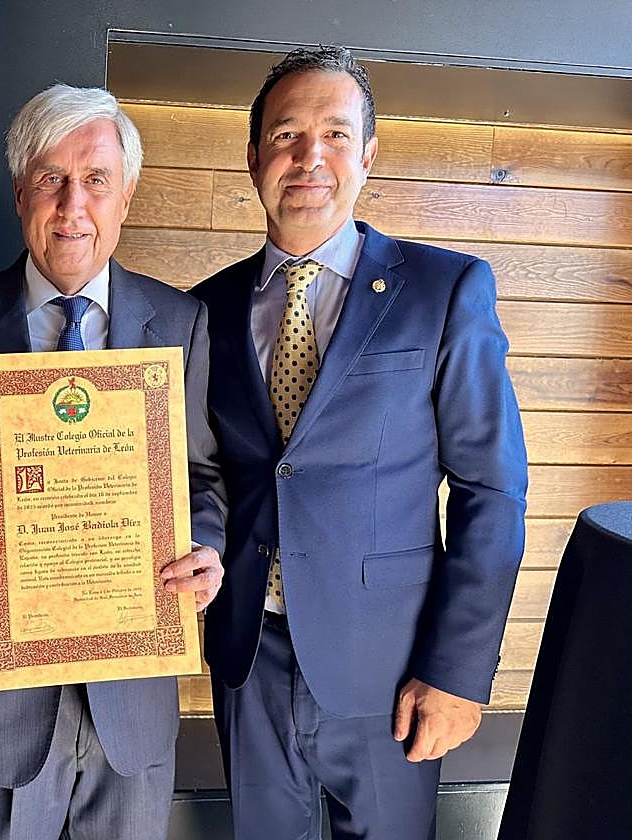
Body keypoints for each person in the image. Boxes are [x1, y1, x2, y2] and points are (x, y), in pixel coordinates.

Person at [0, 84, 227, 840]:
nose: (73, 204)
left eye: (96, 179)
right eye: (50, 180)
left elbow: (202, 479)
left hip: (130, 703)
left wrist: (210, 550)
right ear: (19, 193)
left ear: (125, 195)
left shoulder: (183, 324)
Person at [191, 46, 528, 839]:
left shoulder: (445, 291)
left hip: (393, 672)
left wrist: (457, 672)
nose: (310, 157)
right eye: (285, 135)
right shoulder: (202, 309)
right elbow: (203, 471)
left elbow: (492, 491)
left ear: (369, 156)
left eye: (336, 135)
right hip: (249, 658)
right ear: (252, 157)